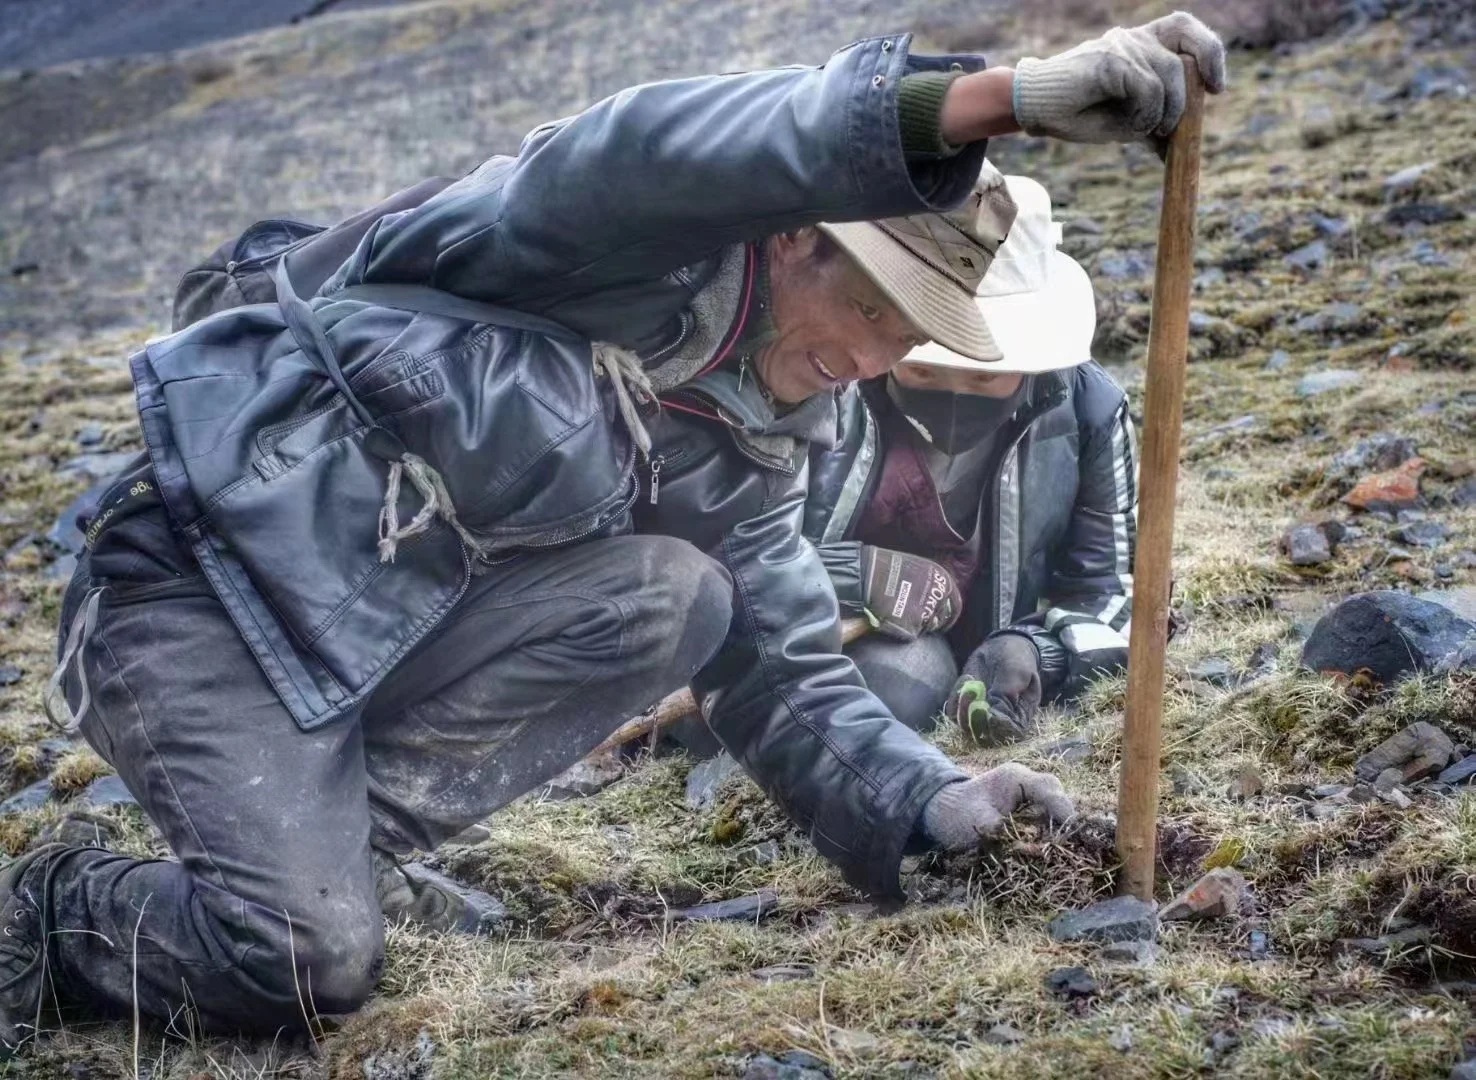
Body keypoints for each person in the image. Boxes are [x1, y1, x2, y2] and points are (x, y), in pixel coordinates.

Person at [0, 15, 1225, 1049]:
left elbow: (791, 672)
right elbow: (651, 146)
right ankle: (49, 911)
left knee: (687, 594)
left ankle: (332, 852)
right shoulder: (595, 240)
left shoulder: (760, 442)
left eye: (907, 339)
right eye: (867, 307)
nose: (869, 362)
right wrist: (995, 100)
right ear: (795, 235)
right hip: (202, 583)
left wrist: (931, 804)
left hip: (377, 646)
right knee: (302, 967)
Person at [805, 174, 1137, 743]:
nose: (954, 394)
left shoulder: (1090, 411)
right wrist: (848, 573)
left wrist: (1035, 650)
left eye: (985, 375)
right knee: (908, 680)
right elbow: (726, 552)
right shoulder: (819, 384)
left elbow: (1113, 594)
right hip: (826, 639)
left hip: (991, 641)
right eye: (924, 367)